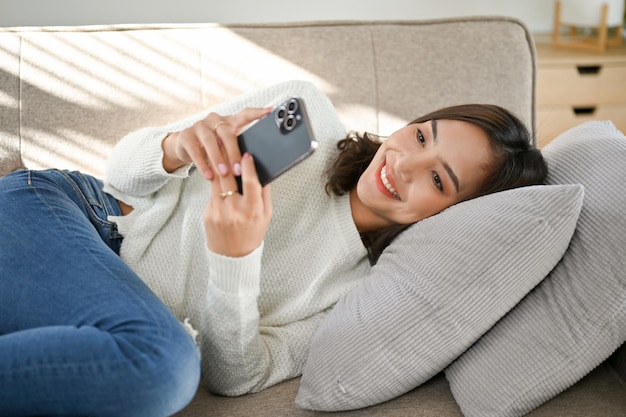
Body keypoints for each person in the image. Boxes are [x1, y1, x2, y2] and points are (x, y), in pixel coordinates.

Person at [0, 80, 547, 416]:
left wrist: (235, 260)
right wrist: (175, 146)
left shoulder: (362, 295)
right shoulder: (306, 112)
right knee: (162, 370)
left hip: (82, 314)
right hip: (69, 214)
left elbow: (236, 376)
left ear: (454, 215)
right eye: (422, 136)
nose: (403, 163)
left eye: (439, 180)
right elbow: (120, 173)